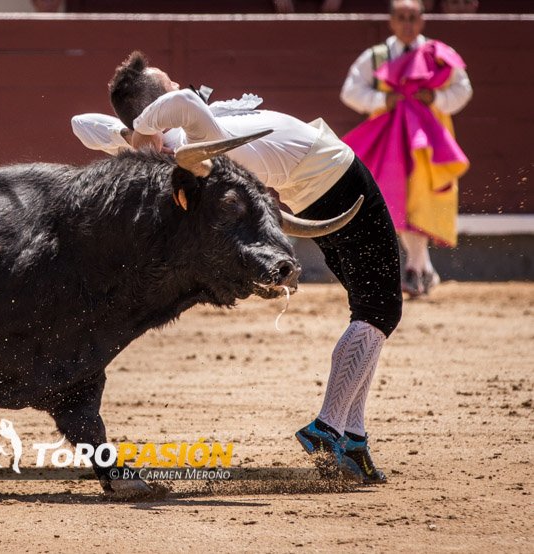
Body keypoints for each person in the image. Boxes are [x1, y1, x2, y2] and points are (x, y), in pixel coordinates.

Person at [72, 51, 402, 484]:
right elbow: (186, 101)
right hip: (338, 178)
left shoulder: (167, 150)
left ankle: (352, 438)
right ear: (157, 104)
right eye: (168, 81)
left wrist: (131, 134)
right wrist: (142, 130)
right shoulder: (194, 134)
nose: (178, 84)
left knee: (369, 309)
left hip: (311, 193)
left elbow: (80, 123)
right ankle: (329, 426)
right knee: (380, 310)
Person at [340, 0, 472, 297]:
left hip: (426, 138)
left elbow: (463, 90)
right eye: (402, 17)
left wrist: (435, 99)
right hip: (389, 138)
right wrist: (383, 102)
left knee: (419, 199)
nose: (408, 24)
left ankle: (416, 268)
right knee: (394, 199)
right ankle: (419, 268)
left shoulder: (438, 55)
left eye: (413, 17)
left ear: (422, 20)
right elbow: (350, 92)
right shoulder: (376, 57)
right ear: (391, 21)